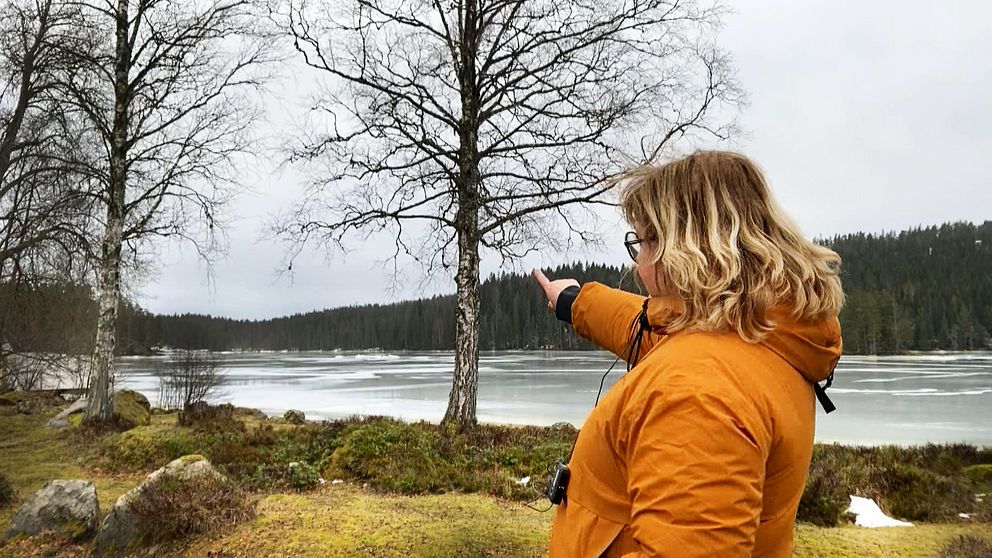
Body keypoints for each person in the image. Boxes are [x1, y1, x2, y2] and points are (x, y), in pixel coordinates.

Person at [532, 150, 844, 557]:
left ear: (678, 251)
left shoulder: (698, 391)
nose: (638, 265)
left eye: (639, 243)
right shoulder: (756, 334)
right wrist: (574, 302)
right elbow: (653, 330)